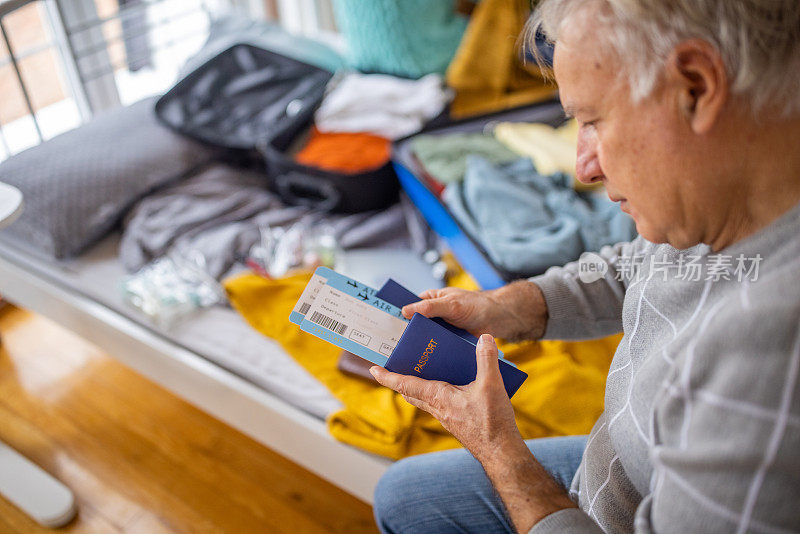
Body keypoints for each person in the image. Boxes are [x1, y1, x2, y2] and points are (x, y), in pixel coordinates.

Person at [369, 0, 800, 532]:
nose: (584, 167)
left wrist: (499, 448)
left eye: (593, 120)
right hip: (626, 466)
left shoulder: (771, 361)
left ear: (695, 86)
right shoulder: (723, 197)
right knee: (402, 496)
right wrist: (506, 308)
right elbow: (642, 265)